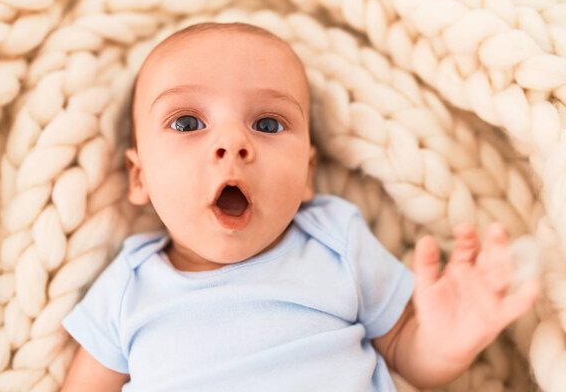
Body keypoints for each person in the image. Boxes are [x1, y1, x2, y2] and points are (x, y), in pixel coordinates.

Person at [60, 22, 539, 391]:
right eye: (187, 123)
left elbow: (405, 351)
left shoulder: (334, 241)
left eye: (267, 124)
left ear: (307, 174)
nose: (233, 142)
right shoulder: (129, 286)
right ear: (140, 176)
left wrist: (444, 340)